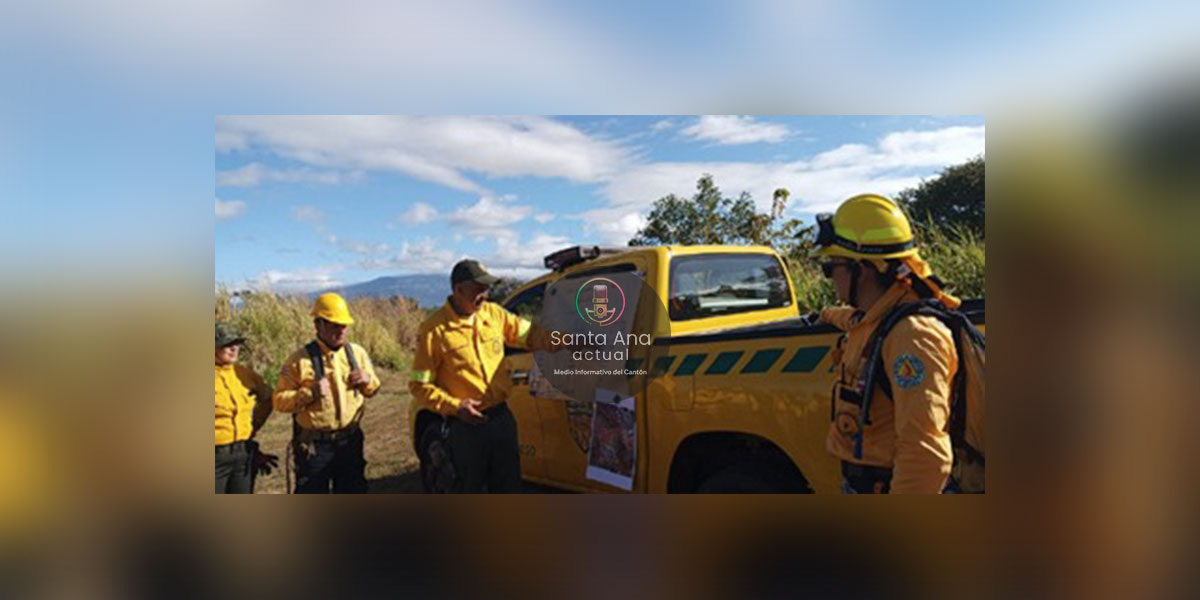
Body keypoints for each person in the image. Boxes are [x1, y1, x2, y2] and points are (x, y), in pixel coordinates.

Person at [813, 194, 963, 494]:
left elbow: (926, 453)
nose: (828, 277)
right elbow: (854, 321)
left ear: (862, 268)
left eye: (832, 266)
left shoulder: (912, 336)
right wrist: (825, 315)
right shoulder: (875, 319)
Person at [409, 259, 560, 493]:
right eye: (478, 289)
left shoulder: (494, 315)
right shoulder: (434, 330)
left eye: (486, 289)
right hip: (465, 429)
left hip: (501, 420)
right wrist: (455, 406)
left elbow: (532, 336)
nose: (485, 295)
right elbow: (419, 385)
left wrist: (570, 341)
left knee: (509, 487)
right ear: (458, 290)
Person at [273, 293, 381, 493]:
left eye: (344, 325)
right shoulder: (298, 360)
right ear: (318, 325)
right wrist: (308, 393)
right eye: (334, 325)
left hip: (350, 442)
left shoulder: (357, 354)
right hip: (314, 448)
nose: (341, 330)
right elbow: (279, 401)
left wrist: (368, 380)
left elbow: (373, 388)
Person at [214, 322, 276, 494]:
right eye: (227, 344)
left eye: (236, 344)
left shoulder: (244, 374)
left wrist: (254, 427)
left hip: (243, 455)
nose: (234, 349)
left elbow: (269, 397)